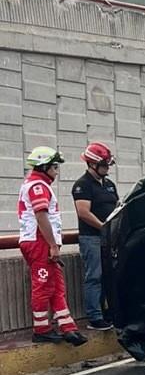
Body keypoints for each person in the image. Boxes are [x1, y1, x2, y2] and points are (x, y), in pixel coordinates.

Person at [17, 147, 87, 346]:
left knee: (56, 286)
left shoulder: (37, 184)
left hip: (43, 242)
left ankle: (68, 328)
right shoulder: (37, 186)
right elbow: (41, 216)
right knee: (43, 286)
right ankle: (41, 329)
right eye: (54, 167)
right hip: (39, 242)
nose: (57, 171)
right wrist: (53, 246)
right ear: (45, 166)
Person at [72, 142, 119, 330]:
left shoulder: (109, 184)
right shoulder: (82, 185)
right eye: (104, 165)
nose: (107, 168)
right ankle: (95, 316)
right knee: (94, 276)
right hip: (91, 237)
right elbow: (83, 212)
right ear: (92, 164)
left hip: (108, 237)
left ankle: (109, 311)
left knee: (109, 275)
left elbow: (116, 207)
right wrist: (103, 227)